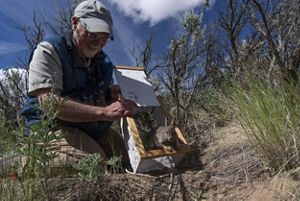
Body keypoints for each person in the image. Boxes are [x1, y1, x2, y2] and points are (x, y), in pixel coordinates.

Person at [20, 0, 137, 172]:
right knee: (94, 165)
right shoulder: (49, 51)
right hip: (50, 128)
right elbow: (49, 103)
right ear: (75, 23)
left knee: (127, 160)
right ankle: (26, 161)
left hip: (89, 129)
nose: (98, 42)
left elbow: (101, 101)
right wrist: (104, 112)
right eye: (93, 33)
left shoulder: (103, 63)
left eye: (104, 37)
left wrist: (112, 98)